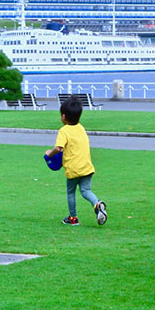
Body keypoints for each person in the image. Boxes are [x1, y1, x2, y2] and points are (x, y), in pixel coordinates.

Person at [45, 95, 107, 226]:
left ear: (63, 116)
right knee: (86, 191)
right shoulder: (81, 128)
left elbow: (58, 148)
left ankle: (73, 218)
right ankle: (97, 205)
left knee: (71, 192)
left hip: (73, 169)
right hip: (87, 167)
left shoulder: (64, 131)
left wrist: (49, 154)